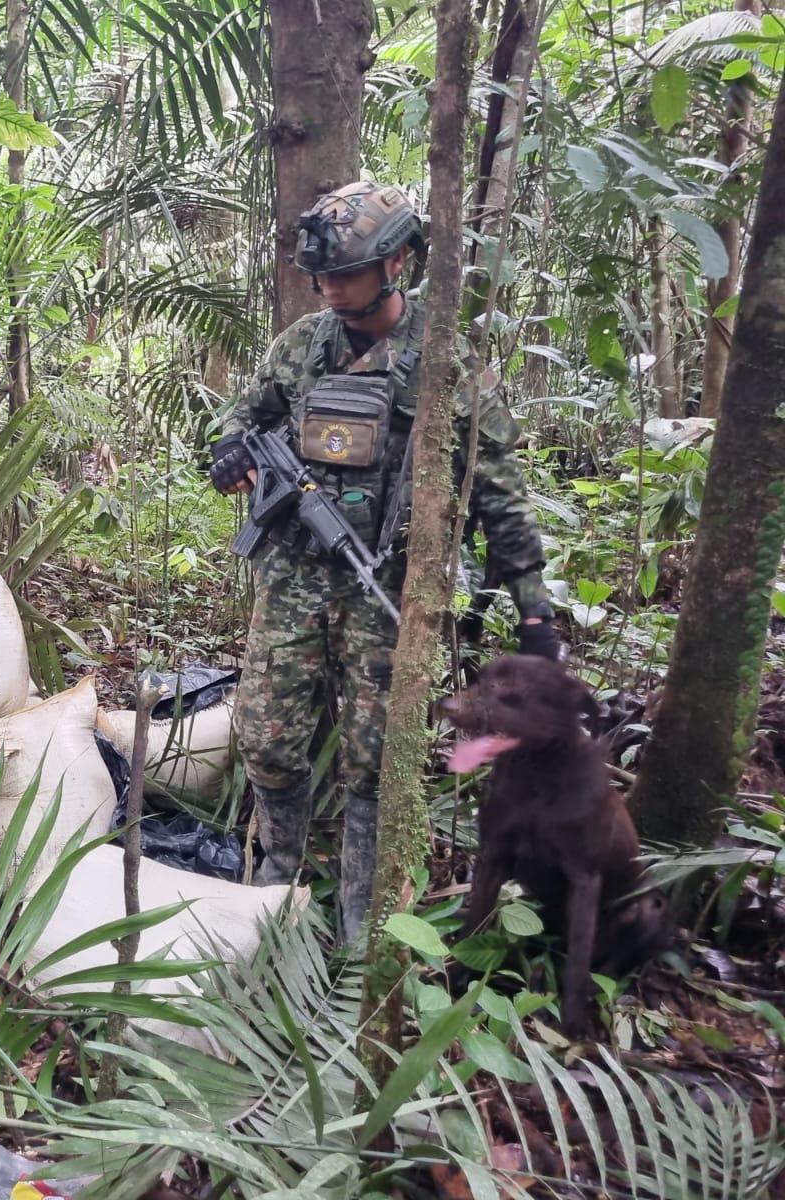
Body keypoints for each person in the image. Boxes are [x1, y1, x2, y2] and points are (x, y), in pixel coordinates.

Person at [210, 181, 560, 942]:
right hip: (294, 578)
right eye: (323, 276)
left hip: (386, 589)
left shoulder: (442, 360)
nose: (332, 288)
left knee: (373, 762)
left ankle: (364, 926)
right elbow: (245, 413)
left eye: (348, 272)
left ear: (397, 262)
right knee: (268, 737)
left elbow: (497, 486)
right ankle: (274, 886)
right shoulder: (302, 345)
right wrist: (231, 446)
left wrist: (534, 609)